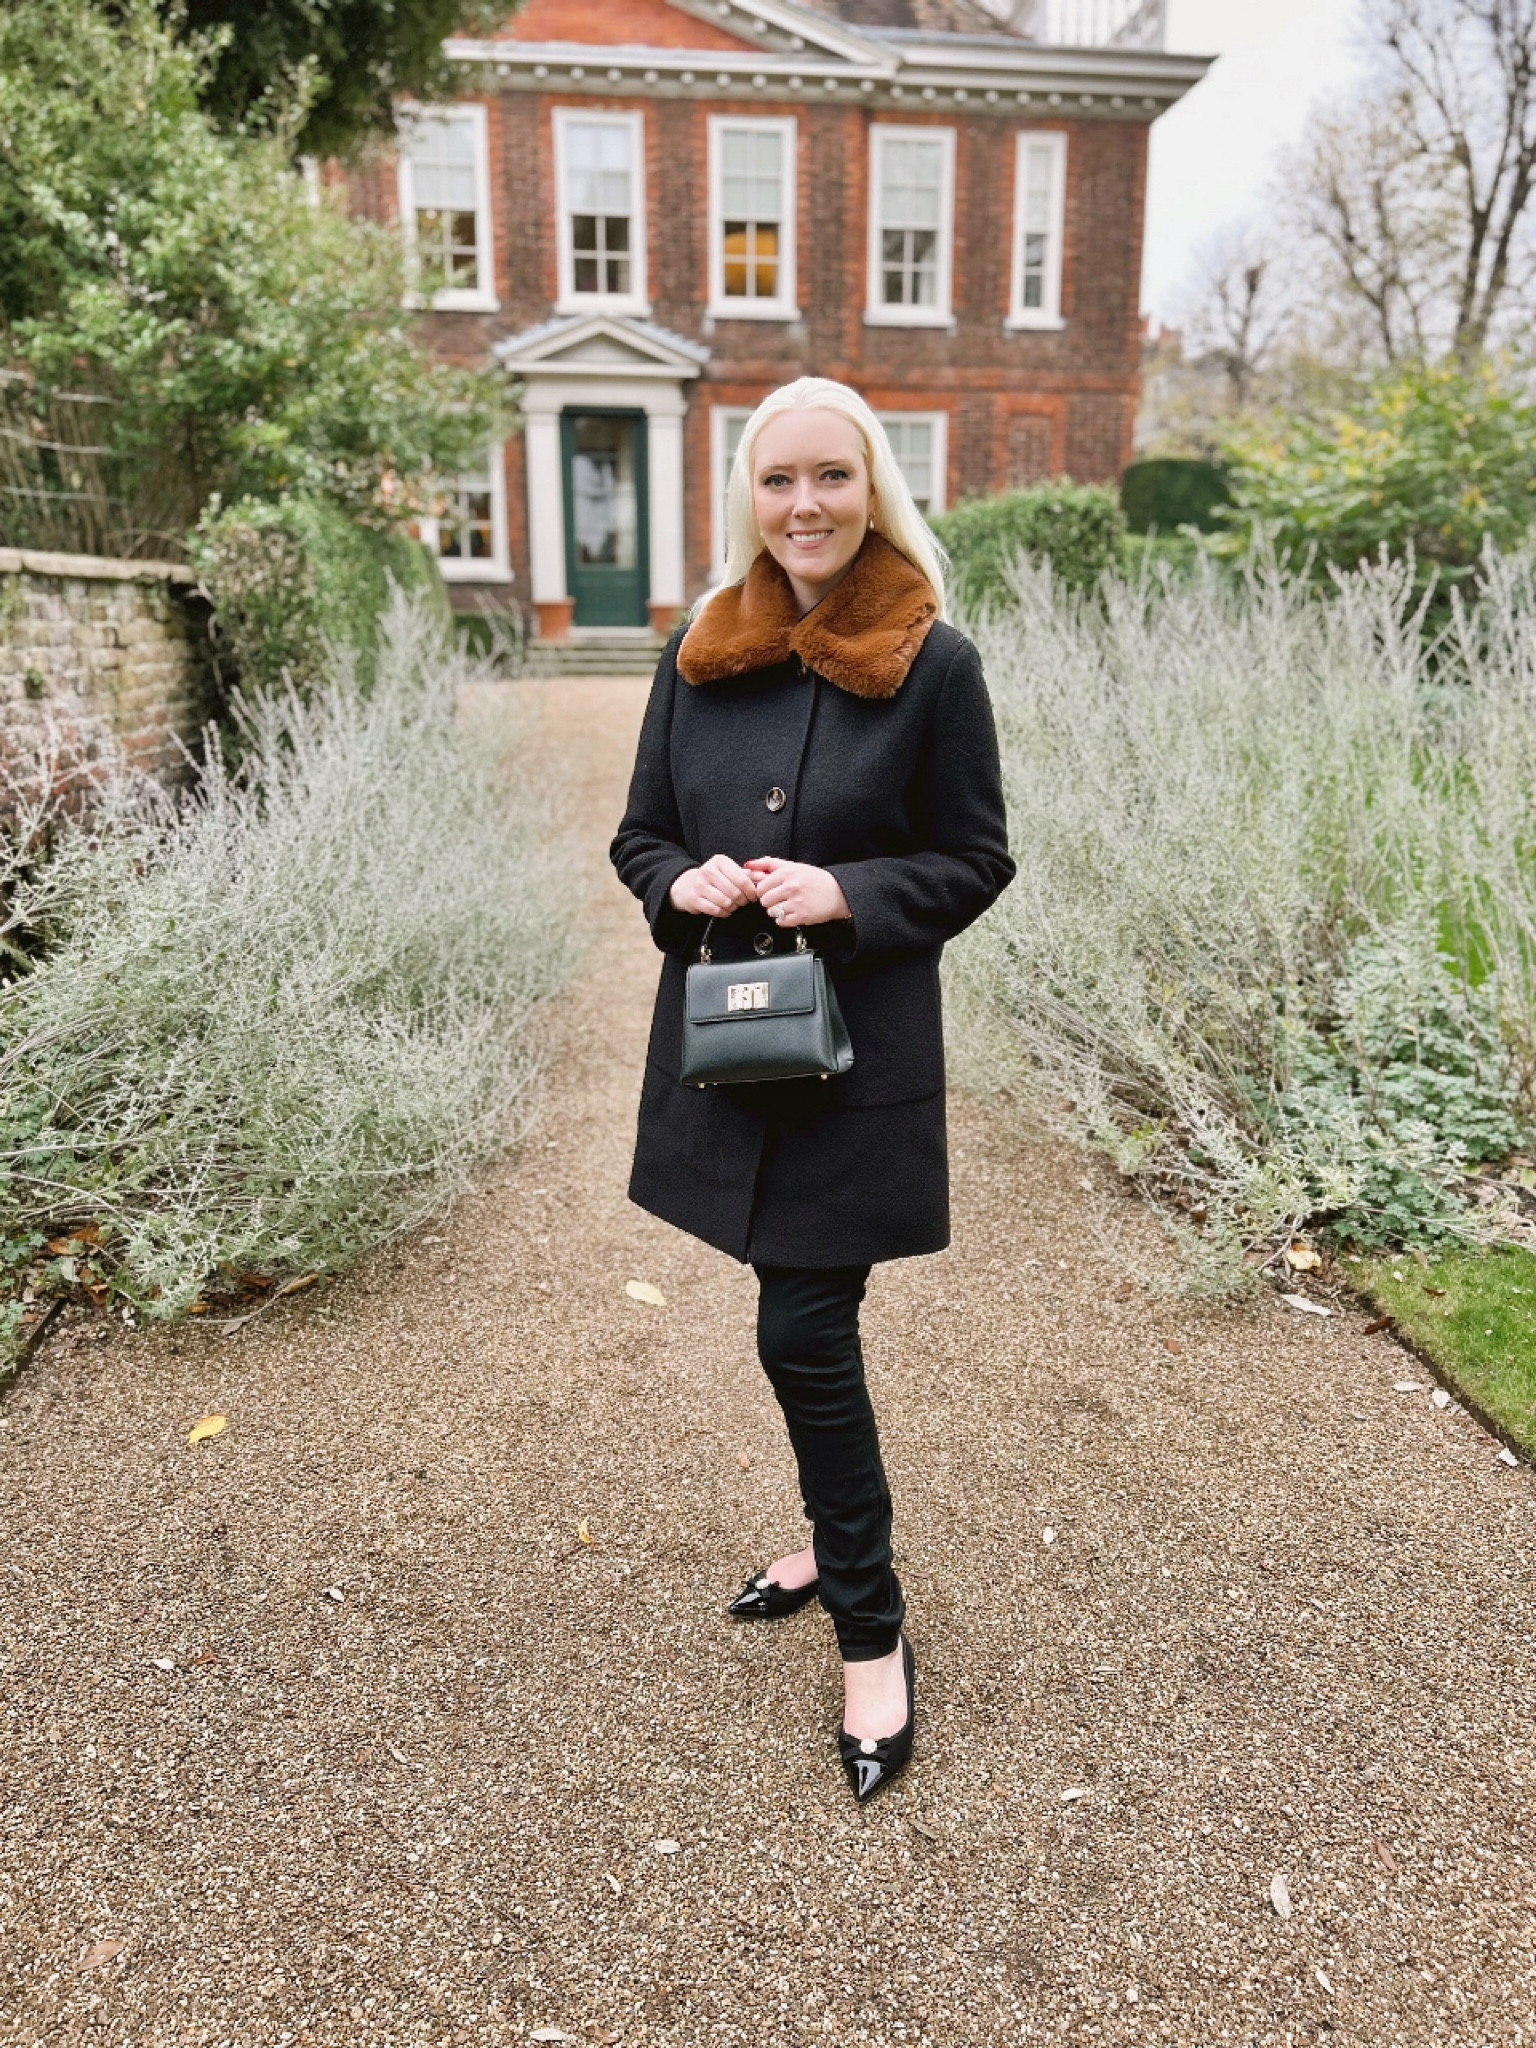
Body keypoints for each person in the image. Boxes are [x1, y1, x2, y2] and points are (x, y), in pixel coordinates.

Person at [610, 376, 1014, 1803]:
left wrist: (850, 888)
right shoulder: (698, 652)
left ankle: (871, 1629)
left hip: (857, 1066)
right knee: (792, 1322)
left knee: (798, 1331)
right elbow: (638, 838)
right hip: (733, 1049)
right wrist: (686, 879)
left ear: (872, 486)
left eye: (830, 478)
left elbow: (976, 861)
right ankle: (821, 1542)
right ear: (748, 499)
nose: (804, 506)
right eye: (779, 481)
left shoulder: (934, 662)